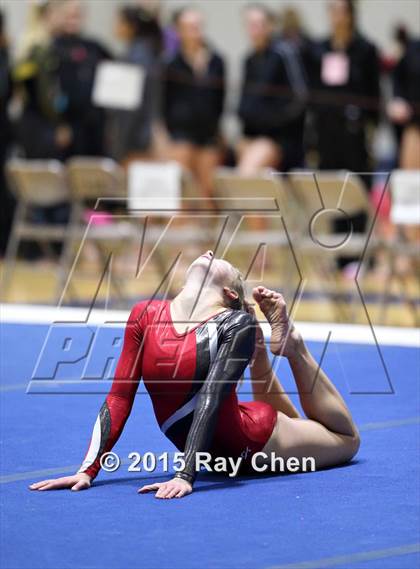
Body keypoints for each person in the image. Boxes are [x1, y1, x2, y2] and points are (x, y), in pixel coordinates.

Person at [29, 251, 360, 499]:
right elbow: (119, 397)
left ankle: (295, 347)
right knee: (297, 423)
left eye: (224, 262)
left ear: (230, 293)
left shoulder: (236, 323)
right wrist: (88, 469)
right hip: (221, 443)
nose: (211, 252)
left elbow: (211, 399)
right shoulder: (144, 314)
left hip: (250, 442)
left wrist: (185, 475)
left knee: (347, 440)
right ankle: (264, 355)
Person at [15, 0, 110, 160]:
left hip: (89, 132)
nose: (72, 18)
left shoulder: (94, 47)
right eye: (68, 13)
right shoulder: (40, 50)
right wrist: (56, 127)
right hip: (53, 131)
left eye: (77, 13)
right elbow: (32, 94)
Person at [162, 7, 225, 204]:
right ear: (179, 31)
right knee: (181, 192)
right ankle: (180, 232)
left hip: (208, 134)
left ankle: (208, 235)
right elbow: (163, 103)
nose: (195, 31)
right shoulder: (170, 63)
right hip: (179, 135)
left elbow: (219, 101)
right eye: (189, 27)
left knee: (208, 193)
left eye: (198, 26)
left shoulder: (216, 61)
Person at [237, 4, 307, 175]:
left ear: (269, 26)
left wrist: (270, 124)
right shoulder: (249, 60)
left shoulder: (284, 54)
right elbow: (245, 104)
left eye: (260, 24)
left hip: (283, 139)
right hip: (255, 137)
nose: (255, 30)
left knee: (247, 171)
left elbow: (300, 99)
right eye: (251, 25)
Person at [110, 5, 163, 163]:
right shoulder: (146, 52)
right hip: (143, 133)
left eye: (118, 22)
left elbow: (127, 108)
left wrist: (120, 144)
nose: (114, 27)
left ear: (130, 27)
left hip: (136, 136)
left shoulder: (134, 58)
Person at [387, 37, 420, 169]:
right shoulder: (413, 49)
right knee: (410, 176)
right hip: (415, 124)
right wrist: (398, 99)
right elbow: (398, 77)